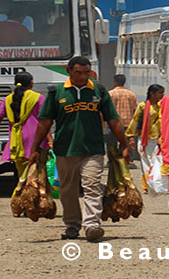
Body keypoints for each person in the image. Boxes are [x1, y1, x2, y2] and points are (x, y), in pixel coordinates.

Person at [30, 57, 131, 242]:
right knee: (67, 190)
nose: (82, 77)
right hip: (65, 150)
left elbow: (113, 120)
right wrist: (35, 148)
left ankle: (92, 225)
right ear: (69, 70)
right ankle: (72, 225)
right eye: (78, 72)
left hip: (92, 149)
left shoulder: (98, 91)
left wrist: (124, 145)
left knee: (92, 186)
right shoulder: (56, 92)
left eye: (86, 72)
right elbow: (45, 122)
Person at [0, 72, 51, 206]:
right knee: (38, 175)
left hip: (17, 142)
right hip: (36, 141)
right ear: (31, 83)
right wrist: (50, 139)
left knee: (23, 175)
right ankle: (32, 204)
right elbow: (44, 121)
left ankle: (21, 203)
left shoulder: (8, 99)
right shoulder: (38, 98)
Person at [125, 84, 169, 194]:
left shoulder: (161, 105)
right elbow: (135, 121)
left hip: (158, 138)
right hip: (145, 139)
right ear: (152, 94)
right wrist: (131, 137)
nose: (162, 95)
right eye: (160, 92)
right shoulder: (143, 106)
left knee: (155, 160)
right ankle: (148, 185)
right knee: (146, 162)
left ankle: (154, 183)